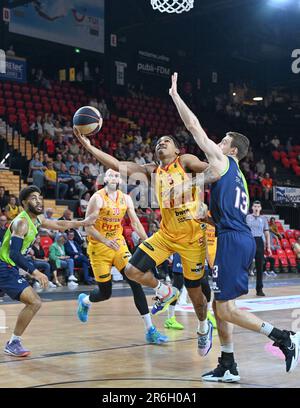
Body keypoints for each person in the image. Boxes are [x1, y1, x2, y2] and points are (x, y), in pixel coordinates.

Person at [169, 71, 300, 381]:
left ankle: (283, 337)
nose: (217, 142)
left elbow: (193, 127)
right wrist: (205, 217)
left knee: (226, 310)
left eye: (223, 141)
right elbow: (223, 208)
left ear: (232, 150)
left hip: (232, 240)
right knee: (220, 306)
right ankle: (228, 363)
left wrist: (175, 95)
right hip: (234, 236)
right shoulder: (236, 175)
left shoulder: (223, 162)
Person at [74, 122, 218, 358]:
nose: (161, 143)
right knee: (131, 270)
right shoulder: (152, 171)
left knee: (196, 297)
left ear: (177, 150)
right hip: (166, 235)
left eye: (166, 141)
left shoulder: (186, 162)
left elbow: (215, 171)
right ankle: (165, 290)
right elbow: (118, 165)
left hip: (193, 238)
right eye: (158, 142)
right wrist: (88, 145)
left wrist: (192, 183)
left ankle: (203, 328)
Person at [77, 169, 168, 344]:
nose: (114, 177)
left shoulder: (125, 199)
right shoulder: (97, 198)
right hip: (99, 247)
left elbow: (134, 222)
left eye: (117, 175)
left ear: (120, 180)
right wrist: (104, 240)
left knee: (135, 281)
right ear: (104, 179)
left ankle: (150, 330)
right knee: (105, 293)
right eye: (110, 175)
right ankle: (86, 301)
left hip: (118, 245)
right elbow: (87, 227)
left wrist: (148, 242)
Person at [0, 186, 93, 357]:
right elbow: (14, 253)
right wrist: (35, 272)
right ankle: (13, 343)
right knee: (34, 302)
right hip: (4, 267)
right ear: (24, 203)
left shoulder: (37, 219)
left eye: (39, 197)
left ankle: (13, 342)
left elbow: (59, 224)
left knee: (34, 302)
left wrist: (82, 223)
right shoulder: (21, 223)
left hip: (9, 267)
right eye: (33, 198)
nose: (38, 200)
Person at [246, 201, 272, 296]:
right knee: (245, 265)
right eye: (255, 206)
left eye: (258, 206)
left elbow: (267, 233)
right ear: (252, 208)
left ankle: (259, 289)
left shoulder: (263, 218)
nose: (256, 208)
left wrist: (268, 247)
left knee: (259, 266)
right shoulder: (247, 217)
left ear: (260, 208)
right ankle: (243, 287)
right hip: (249, 240)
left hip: (259, 241)